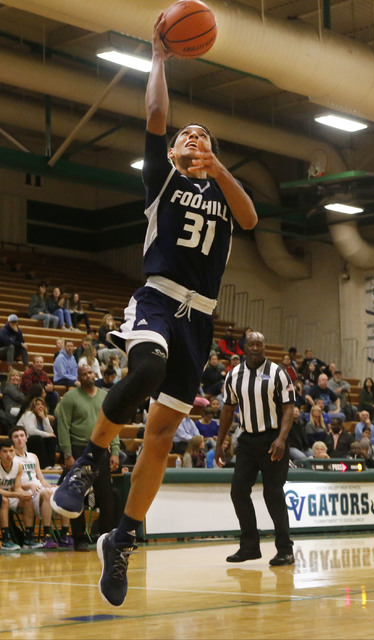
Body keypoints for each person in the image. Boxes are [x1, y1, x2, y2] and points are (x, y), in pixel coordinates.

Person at [51, 13, 257, 608]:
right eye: (188, 136)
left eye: (205, 137)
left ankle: (121, 538)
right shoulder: (162, 181)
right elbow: (156, 116)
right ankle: (90, 461)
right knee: (143, 370)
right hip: (159, 299)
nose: (196, 139)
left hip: (201, 319)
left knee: (163, 437)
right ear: (171, 151)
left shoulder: (220, 188)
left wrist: (217, 166)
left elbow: (249, 220)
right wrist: (160, 59)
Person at [214, 332, 295, 566]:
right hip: (247, 440)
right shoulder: (234, 375)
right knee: (238, 491)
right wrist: (220, 443)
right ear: (244, 348)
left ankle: (285, 549)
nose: (257, 348)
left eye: (261, 344)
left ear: (264, 347)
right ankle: (249, 546)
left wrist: (281, 438)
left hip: (273, 439)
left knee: (273, 493)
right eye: (252, 344)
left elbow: (289, 408)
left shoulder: (278, 372)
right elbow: (228, 410)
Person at [54, 364, 120, 551]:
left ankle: (106, 538)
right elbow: (63, 427)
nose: (88, 376)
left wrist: (114, 450)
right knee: (78, 495)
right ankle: (79, 538)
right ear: (79, 377)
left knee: (106, 496)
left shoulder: (105, 396)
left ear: (95, 374)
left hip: (101, 448)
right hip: (78, 450)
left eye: (90, 372)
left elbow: (113, 422)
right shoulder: (70, 398)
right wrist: (67, 454)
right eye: (84, 374)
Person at [11, 426, 73, 548]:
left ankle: (65, 533)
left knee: (64, 492)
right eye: (16, 436)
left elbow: (42, 479)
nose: (19, 439)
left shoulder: (33, 456)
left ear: (26, 438)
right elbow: (10, 484)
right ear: (11, 440)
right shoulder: (10, 457)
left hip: (38, 488)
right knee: (47, 494)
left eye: (22, 436)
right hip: (24, 491)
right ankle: (47, 536)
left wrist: (50, 485)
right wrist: (29, 485)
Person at [0, 438, 41, 550]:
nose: (8, 454)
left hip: (9, 495)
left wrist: (24, 494)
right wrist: (17, 495)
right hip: (4, 496)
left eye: (11, 450)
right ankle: (5, 540)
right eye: (5, 451)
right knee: (4, 500)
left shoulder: (18, 466)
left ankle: (28, 538)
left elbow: (17, 488)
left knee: (28, 499)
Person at [16, 397, 57, 469]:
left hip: (36, 441)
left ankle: (51, 465)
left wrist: (44, 418)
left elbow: (50, 432)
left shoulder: (43, 416)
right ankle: (43, 465)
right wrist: (47, 434)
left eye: (42, 404)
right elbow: (31, 431)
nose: (40, 406)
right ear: (33, 407)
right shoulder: (29, 414)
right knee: (37, 439)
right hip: (24, 440)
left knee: (52, 439)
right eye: (38, 404)